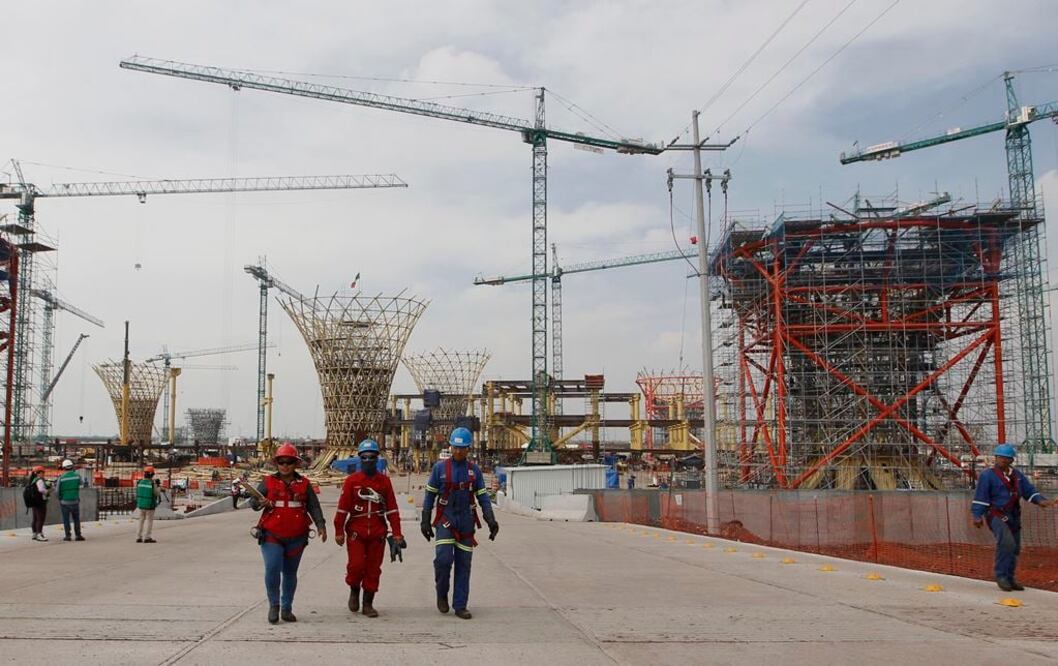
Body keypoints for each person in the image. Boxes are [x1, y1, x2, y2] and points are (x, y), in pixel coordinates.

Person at [421, 427, 499, 620]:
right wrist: (425, 518)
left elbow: (482, 496)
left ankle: (460, 605)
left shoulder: (474, 471)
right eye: (455, 447)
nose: (457, 451)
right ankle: (441, 594)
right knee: (443, 560)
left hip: (465, 522)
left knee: (464, 565)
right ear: (450, 446)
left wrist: (490, 518)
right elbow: (430, 494)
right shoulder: (439, 469)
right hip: (445, 521)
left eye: (462, 448)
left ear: (468, 449)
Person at [251, 443, 327, 624]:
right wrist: (260, 502)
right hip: (271, 536)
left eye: (289, 462)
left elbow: (314, 506)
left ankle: (286, 608)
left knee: (290, 573)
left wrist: (321, 525)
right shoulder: (267, 482)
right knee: (272, 568)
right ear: (276, 463)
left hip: (297, 537)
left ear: (296, 464)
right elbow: (253, 503)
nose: (285, 465)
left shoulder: (304, 484)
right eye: (281, 462)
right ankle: (274, 605)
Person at [334, 439, 404, 618]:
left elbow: (392, 509)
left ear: (377, 458)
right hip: (356, 532)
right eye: (364, 457)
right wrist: (339, 531)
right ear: (359, 458)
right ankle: (354, 589)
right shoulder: (352, 481)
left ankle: (368, 603)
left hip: (378, 533)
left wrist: (397, 533)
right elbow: (342, 509)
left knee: (373, 569)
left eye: (372, 457)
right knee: (356, 565)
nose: (368, 460)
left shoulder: (384, 482)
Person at [972, 443, 1054, 591]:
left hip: (1014, 514)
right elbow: (981, 497)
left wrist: (1040, 500)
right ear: (996, 458)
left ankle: (1010, 577)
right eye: (1001, 457)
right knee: (1007, 543)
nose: (1003, 460)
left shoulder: (1017, 476)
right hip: (996, 514)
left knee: (1015, 547)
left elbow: (1029, 491)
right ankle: (1001, 575)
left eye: (1007, 458)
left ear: (1011, 460)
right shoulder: (987, 475)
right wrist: (977, 515)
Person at [56, 459, 85, 542]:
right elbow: (82, 484)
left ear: (63, 468)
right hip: (75, 501)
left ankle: (68, 536)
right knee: (76, 519)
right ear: (72, 467)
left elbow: (57, 491)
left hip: (64, 502)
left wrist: (60, 498)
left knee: (66, 520)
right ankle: (78, 535)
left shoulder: (61, 478)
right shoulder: (77, 476)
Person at [135, 466, 162, 543]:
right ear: (152, 474)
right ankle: (147, 537)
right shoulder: (152, 484)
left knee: (141, 520)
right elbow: (156, 493)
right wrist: (158, 486)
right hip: (150, 505)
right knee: (149, 521)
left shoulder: (139, 482)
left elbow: (138, 491)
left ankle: (138, 537)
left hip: (141, 504)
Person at [25, 466, 51, 542]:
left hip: (34, 502)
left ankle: (34, 533)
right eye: (43, 472)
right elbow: (41, 489)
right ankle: (39, 534)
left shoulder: (32, 481)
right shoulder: (39, 480)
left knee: (35, 518)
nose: (44, 474)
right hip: (40, 502)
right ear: (38, 473)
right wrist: (48, 491)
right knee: (41, 518)